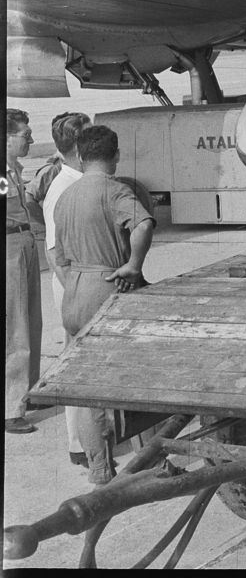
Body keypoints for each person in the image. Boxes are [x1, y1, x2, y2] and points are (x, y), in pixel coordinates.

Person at [54, 125, 155, 485]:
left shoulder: (66, 196)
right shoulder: (115, 190)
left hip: (75, 292)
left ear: (81, 156)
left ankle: (99, 468)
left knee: (87, 389)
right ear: (116, 156)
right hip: (107, 286)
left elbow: (59, 257)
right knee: (137, 376)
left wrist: (78, 284)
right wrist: (133, 266)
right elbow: (143, 225)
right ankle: (150, 460)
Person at [26, 111, 92, 465]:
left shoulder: (78, 180)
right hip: (73, 285)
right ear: (79, 146)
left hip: (80, 282)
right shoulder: (63, 186)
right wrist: (75, 293)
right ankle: (78, 443)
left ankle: (90, 438)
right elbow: (54, 253)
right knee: (77, 361)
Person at [5, 109, 44, 435]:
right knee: (16, 329)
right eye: (25, 135)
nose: (30, 139)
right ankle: (10, 408)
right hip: (10, 248)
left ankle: (28, 391)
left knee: (31, 322)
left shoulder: (13, 169)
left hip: (24, 241)